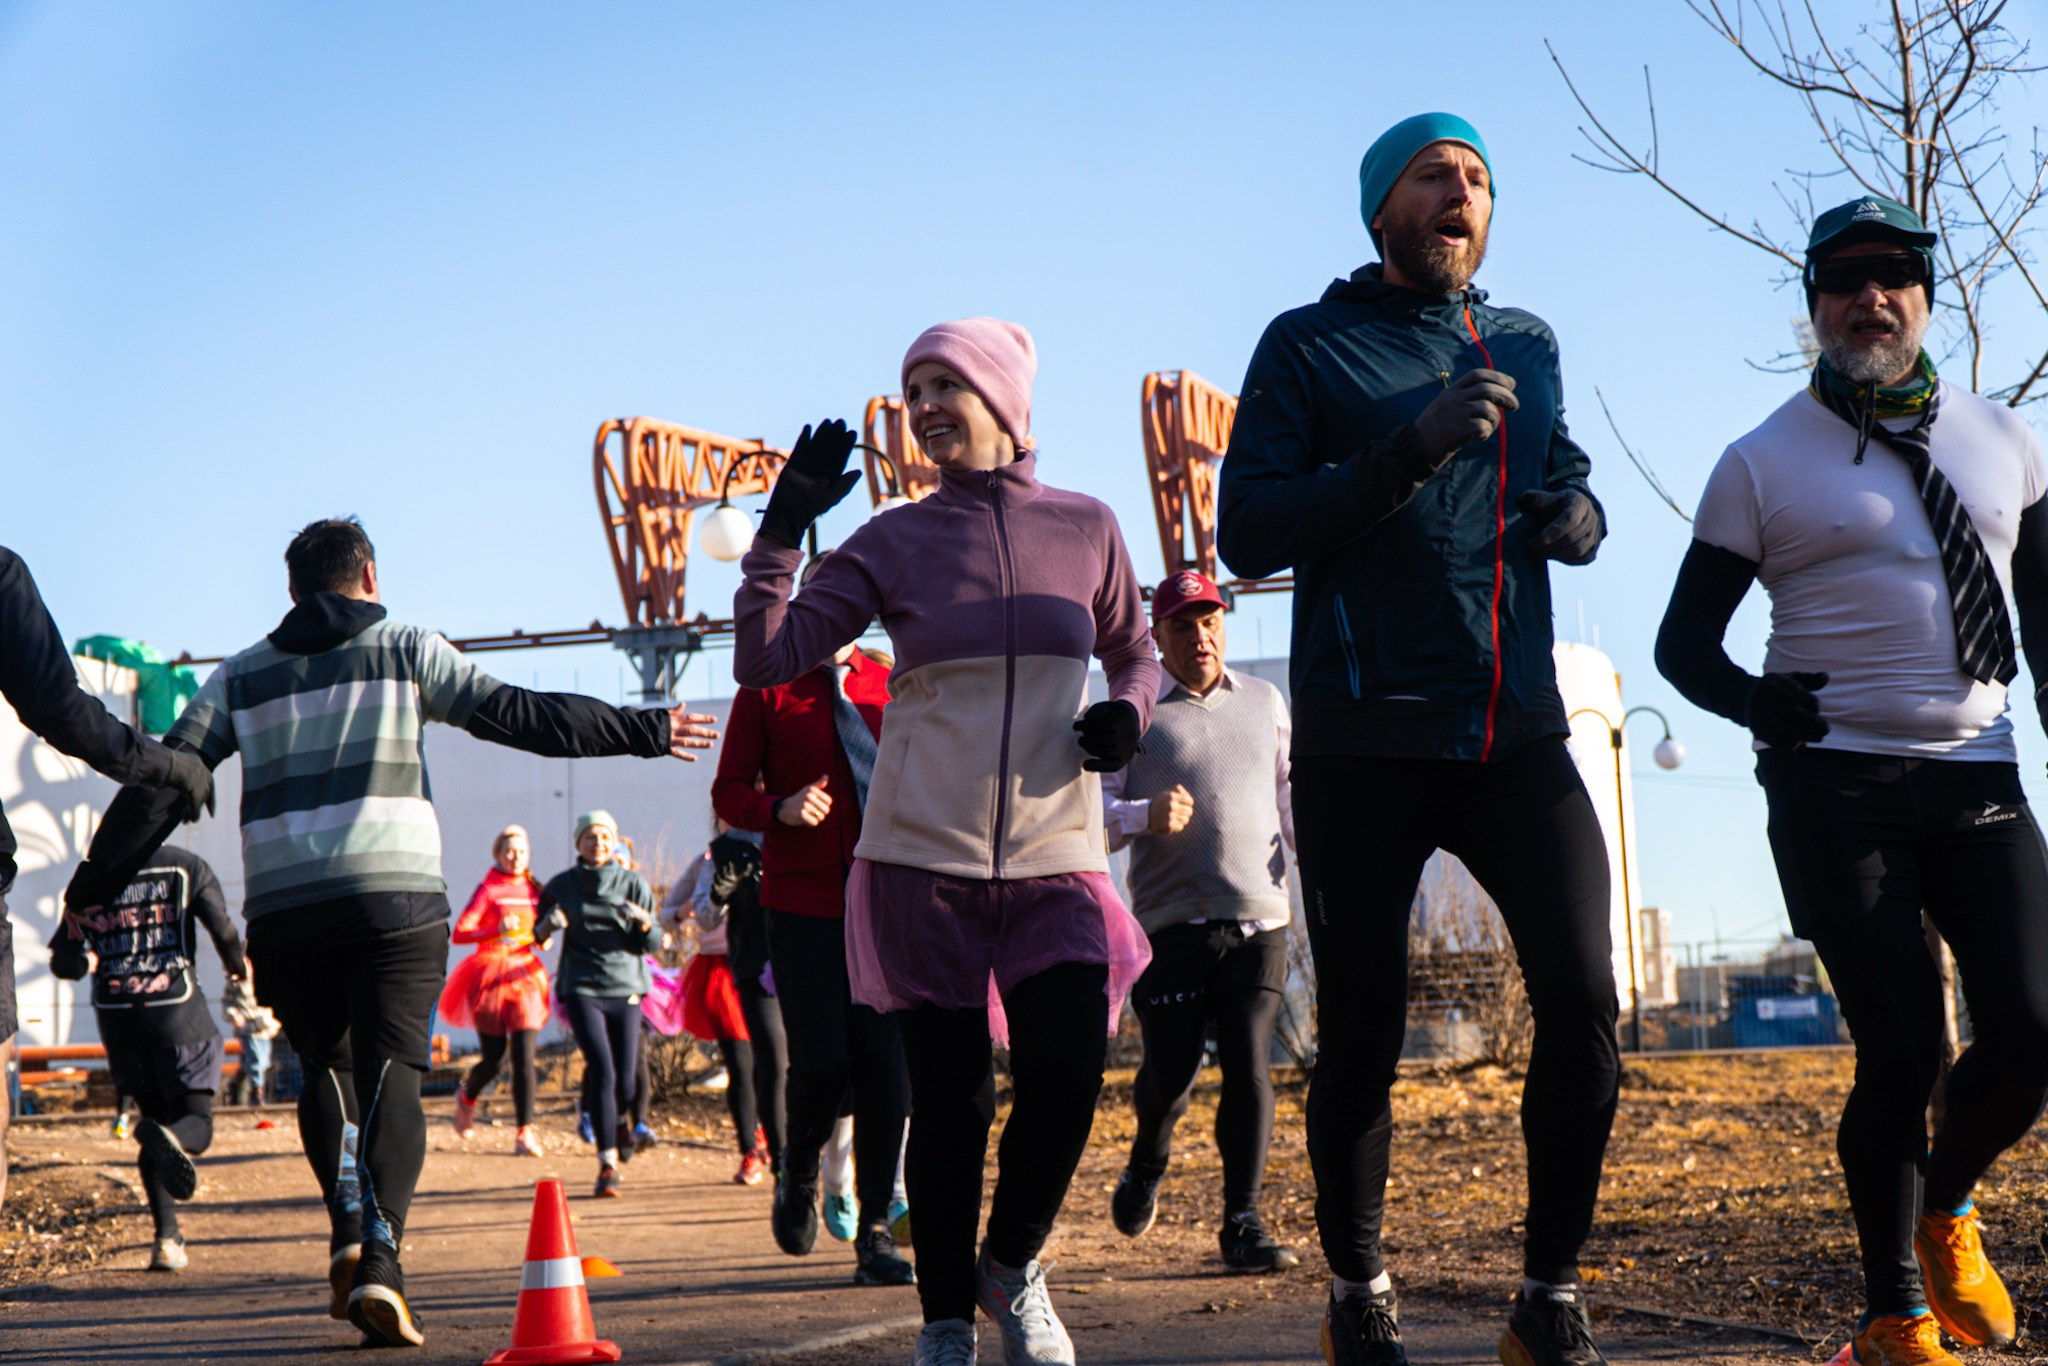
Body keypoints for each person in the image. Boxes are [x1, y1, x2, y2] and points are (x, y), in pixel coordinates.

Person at [64, 517, 715, 1348]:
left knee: (322, 1071)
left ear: (294, 591)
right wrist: (644, 729)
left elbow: (167, 781)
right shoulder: (406, 646)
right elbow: (518, 714)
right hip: (395, 899)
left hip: (287, 908)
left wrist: (93, 883)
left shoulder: (238, 676)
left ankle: (345, 1227)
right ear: (370, 576)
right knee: (391, 1074)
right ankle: (380, 1256)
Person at [1216, 115, 1617, 1366]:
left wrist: (1579, 513)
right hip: (1363, 741)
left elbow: (1559, 464)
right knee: (1367, 1034)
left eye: (1480, 178)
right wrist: (1410, 447)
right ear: (1379, 211)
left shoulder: (1525, 342)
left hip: (1513, 731)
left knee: (1588, 1006)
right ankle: (1357, 1288)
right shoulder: (1305, 344)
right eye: (1435, 174)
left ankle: (1547, 1296)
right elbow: (1248, 532)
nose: (1463, 191)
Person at [1656, 196, 2048, 1366]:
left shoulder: (2008, 440)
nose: (1868, 296)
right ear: (1812, 304)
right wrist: (1751, 703)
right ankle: (1891, 1317)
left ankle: (1945, 1207)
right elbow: (1683, 647)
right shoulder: (1760, 460)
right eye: (1842, 280)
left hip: (1977, 771)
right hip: (1832, 784)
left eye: (1891, 274)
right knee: (1901, 1046)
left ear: (1923, 292)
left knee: (2032, 1027)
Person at [733, 315, 1161, 1366]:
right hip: (922, 859)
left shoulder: (1088, 526)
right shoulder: (891, 538)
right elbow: (763, 655)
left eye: (945, 384)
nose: (922, 405)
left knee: (1066, 1078)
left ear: (1006, 402)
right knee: (953, 1103)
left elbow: (1136, 652)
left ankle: (1009, 1267)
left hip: (1056, 855)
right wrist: (783, 524)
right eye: (911, 386)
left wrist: (1129, 713)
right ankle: (940, 1326)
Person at [0, 545, 212, 1215]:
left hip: (121, 1016)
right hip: (178, 1016)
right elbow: (61, 709)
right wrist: (166, 767)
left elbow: (68, 948)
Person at [1102, 570, 1299, 1275]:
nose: (1199, 636)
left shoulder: (1266, 702)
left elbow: (1287, 797)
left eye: (1209, 620)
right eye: (1182, 625)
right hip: (1170, 924)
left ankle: (1241, 1222)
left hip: (1259, 916)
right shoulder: (1133, 714)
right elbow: (1091, 821)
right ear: (1157, 637)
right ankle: (1147, 1158)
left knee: (1250, 1064)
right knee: (1173, 1074)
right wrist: (1142, 817)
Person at [712, 604, 915, 1288]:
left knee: (886, 1070)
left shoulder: (894, 684)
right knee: (823, 1065)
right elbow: (729, 792)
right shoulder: (768, 688)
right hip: (801, 906)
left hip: (886, 905)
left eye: (850, 607)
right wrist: (779, 809)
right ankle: (798, 1171)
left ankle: (878, 1230)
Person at [51, 845, 241, 1270]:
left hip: (119, 1022)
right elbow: (223, 931)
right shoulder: (186, 865)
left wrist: (86, 956)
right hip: (178, 1013)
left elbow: (66, 964)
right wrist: (239, 970)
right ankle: (176, 1146)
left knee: (152, 1128)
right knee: (196, 1125)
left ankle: (167, 1240)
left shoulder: (91, 878)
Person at [534, 809, 657, 1199]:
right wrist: (548, 926)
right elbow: (540, 937)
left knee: (626, 1076)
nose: (598, 843)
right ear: (579, 843)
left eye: (605, 837)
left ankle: (621, 1122)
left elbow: (653, 945)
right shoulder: (561, 885)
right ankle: (607, 1164)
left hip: (627, 986)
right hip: (582, 986)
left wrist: (645, 924)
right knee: (602, 1070)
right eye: (590, 837)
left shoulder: (633, 883)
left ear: (614, 841)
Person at [664, 819, 776, 1183]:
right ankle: (749, 1151)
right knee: (741, 1065)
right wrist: (696, 908)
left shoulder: (778, 851)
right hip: (723, 971)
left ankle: (773, 1139)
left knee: (774, 1064)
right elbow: (669, 915)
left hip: (772, 965)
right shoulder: (708, 861)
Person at [443, 824, 550, 1157]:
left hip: (525, 976)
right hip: (489, 977)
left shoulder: (536, 889)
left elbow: (541, 933)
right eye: (510, 850)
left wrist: (544, 938)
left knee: (524, 1058)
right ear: (498, 854)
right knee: (493, 1058)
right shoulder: (488, 889)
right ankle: (468, 1095)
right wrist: (494, 930)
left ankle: (524, 1133)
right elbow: (460, 933)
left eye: (522, 850)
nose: (516, 857)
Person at [221, 968, 280, 1106]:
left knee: (263, 1063)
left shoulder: (266, 975)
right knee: (256, 1061)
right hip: (246, 1029)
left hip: (264, 1027)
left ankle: (237, 1086)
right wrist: (235, 1016)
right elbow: (227, 1003)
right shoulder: (236, 981)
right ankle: (258, 1096)